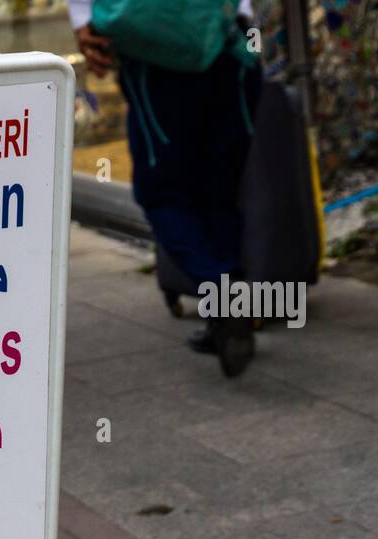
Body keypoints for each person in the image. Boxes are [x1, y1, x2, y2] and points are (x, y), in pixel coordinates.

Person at [71, 0, 262, 377]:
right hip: (229, 49)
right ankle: (227, 311)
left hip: (157, 57)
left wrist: (82, 20)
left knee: (162, 194)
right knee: (220, 191)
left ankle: (221, 293)